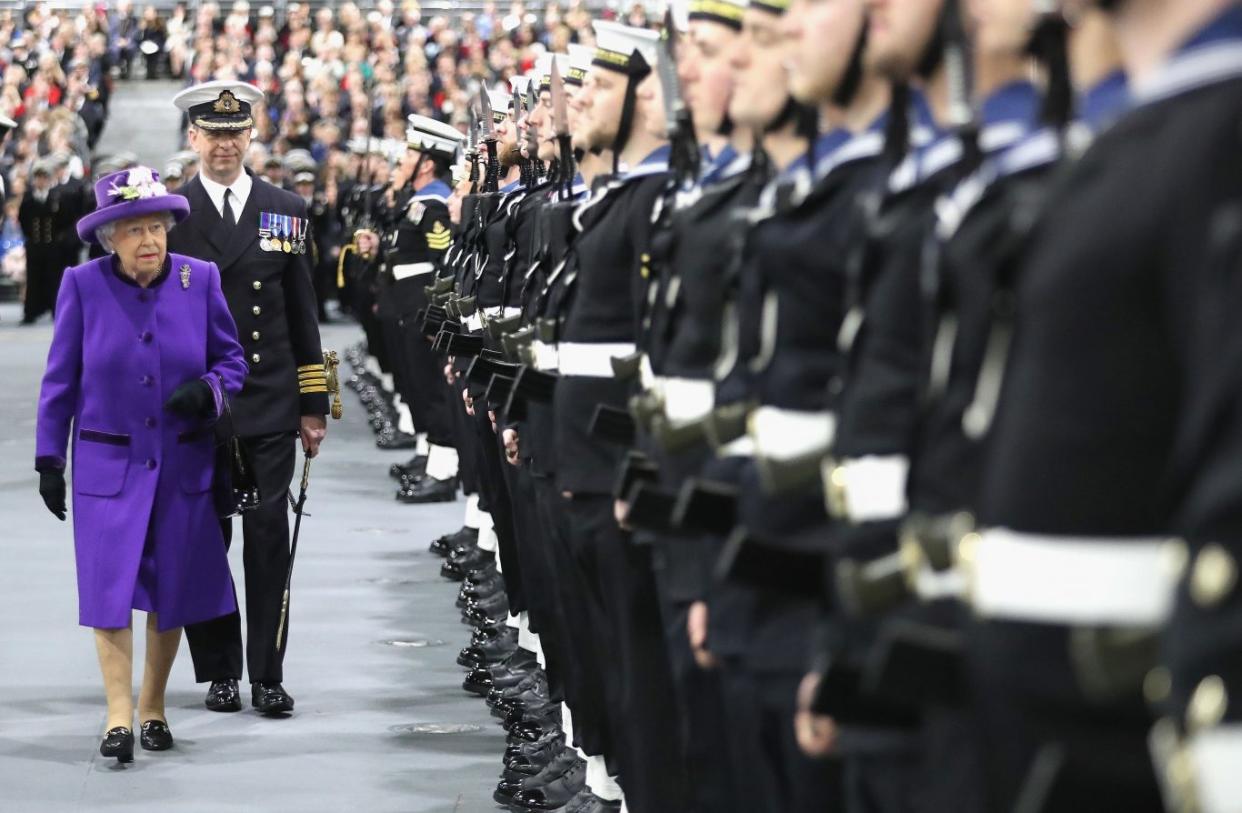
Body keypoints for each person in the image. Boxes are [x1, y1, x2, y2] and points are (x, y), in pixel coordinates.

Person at [35, 165, 248, 764]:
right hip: (109, 469)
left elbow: (232, 362)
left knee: (170, 589)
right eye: (134, 230)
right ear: (111, 239)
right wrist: (49, 456)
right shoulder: (82, 286)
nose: (150, 240)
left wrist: (206, 390)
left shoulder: (198, 279)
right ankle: (118, 717)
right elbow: (60, 380)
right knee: (110, 591)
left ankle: (152, 707)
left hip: (183, 464)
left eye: (157, 227)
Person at [168, 80, 330, 717]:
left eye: (235, 133)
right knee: (205, 541)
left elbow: (302, 311)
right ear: (193, 138)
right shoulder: (172, 214)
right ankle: (219, 672)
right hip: (200, 404)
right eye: (213, 133)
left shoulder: (284, 208)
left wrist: (312, 403)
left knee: (268, 537)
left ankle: (266, 671)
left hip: (267, 400)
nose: (224, 144)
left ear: (250, 137)